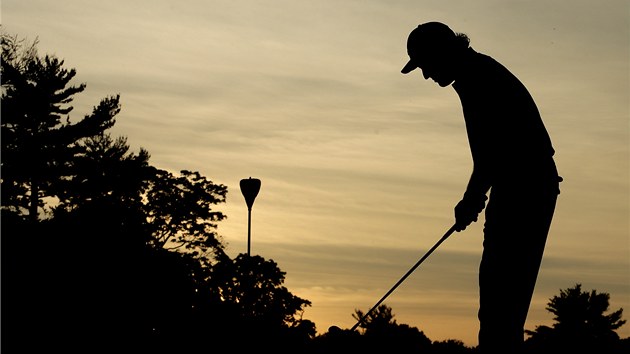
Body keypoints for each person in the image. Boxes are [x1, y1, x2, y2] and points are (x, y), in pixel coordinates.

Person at [401, 22, 562, 353]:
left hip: (525, 190)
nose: (426, 76)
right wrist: (473, 198)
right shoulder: (475, 74)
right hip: (522, 187)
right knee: (500, 304)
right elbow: (490, 155)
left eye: (425, 65)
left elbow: (492, 152)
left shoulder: (478, 79)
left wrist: (471, 199)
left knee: (501, 304)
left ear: (440, 54)